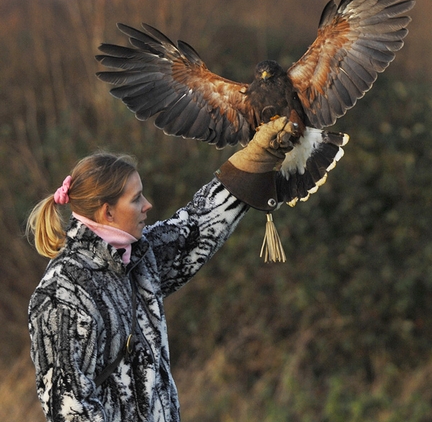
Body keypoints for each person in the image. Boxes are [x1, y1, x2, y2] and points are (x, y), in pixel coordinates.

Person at [27, 117, 297, 422]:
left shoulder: (139, 259)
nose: (147, 205)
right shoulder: (61, 293)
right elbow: (68, 408)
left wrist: (257, 158)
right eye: (136, 198)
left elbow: (196, 228)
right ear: (108, 211)